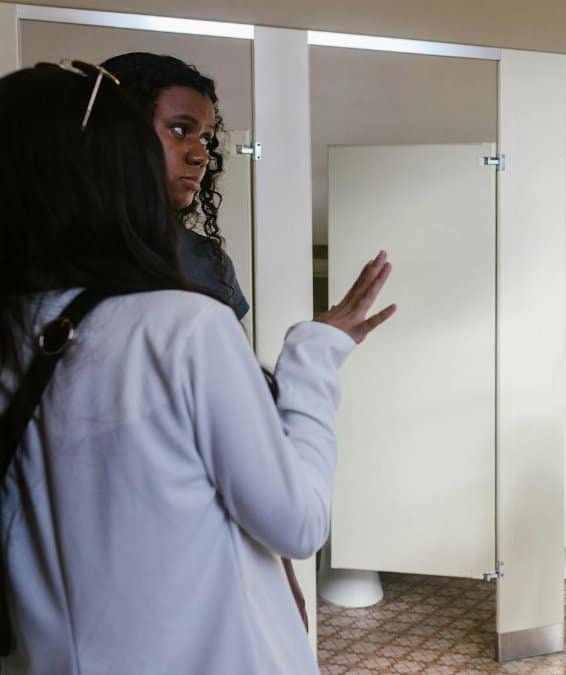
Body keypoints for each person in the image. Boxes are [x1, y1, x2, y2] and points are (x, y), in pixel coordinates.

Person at [0, 61, 395, 674]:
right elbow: (297, 521)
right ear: (99, 170)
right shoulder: (182, 326)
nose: (197, 155)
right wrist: (315, 355)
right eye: (171, 133)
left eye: (204, 138)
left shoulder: (17, 330)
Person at [100, 51, 248, 318]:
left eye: (205, 138)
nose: (200, 156)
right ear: (120, 133)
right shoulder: (43, 251)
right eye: (180, 130)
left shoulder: (208, 262)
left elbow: (231, 361)